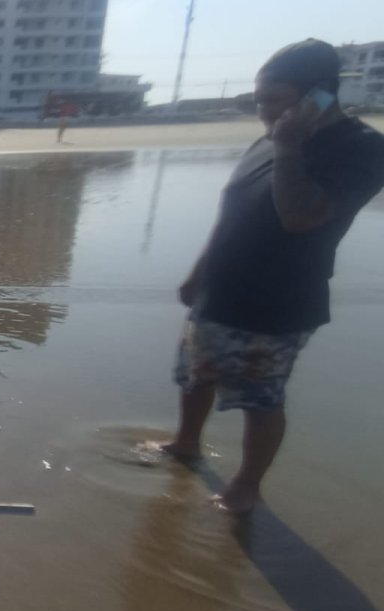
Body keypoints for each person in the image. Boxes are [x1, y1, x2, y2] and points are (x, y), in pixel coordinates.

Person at [161, 39, 384, 513]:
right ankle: (186, 443)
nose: (264, 112)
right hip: (219, 289)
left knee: (261, 397)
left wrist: (289, 146)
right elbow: (234, 209)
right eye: (259, 102)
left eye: (274, 101)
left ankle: (246, 485)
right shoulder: (267, 138)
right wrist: (198, 271)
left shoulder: (361, 148)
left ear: (319, 96)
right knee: (197, 376)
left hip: (277, 303)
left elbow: (299, 217)